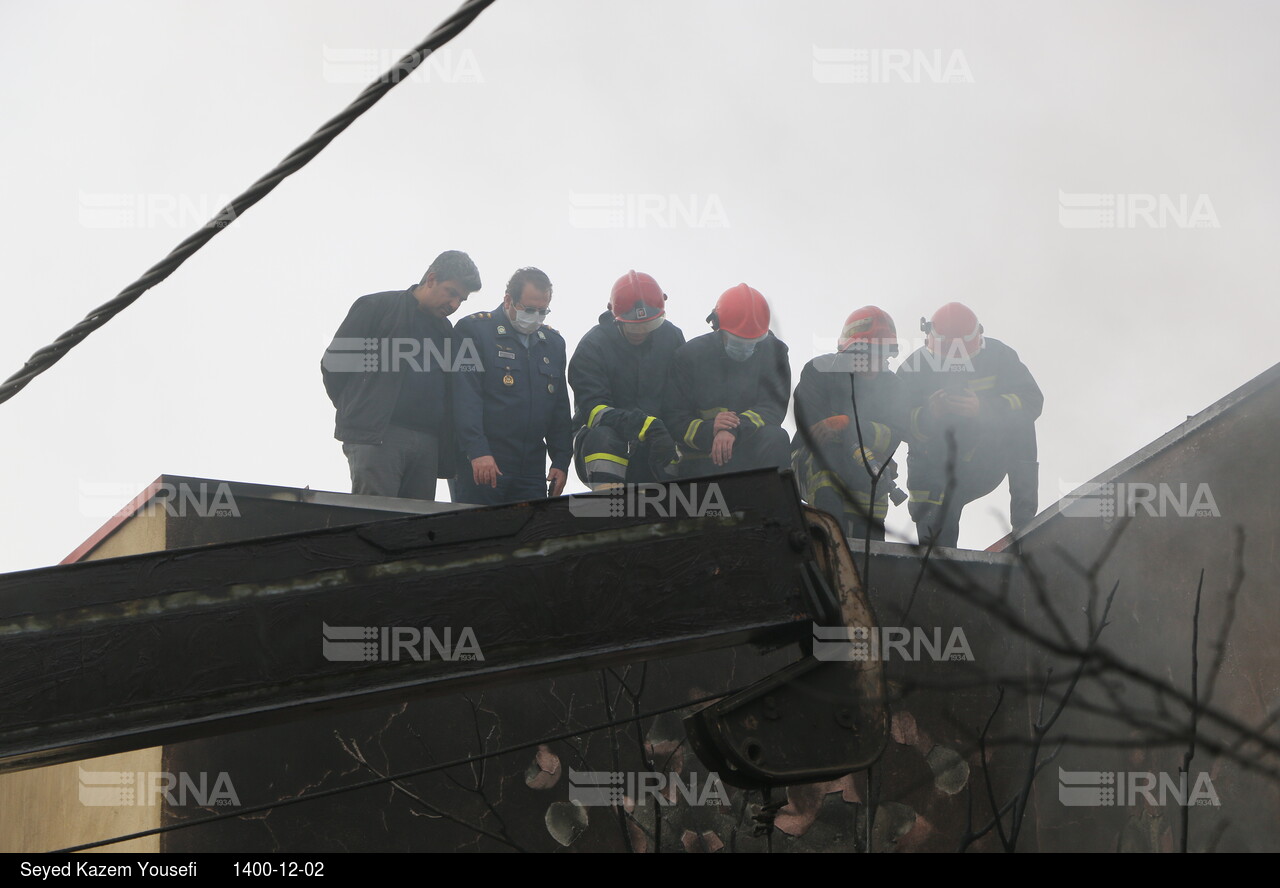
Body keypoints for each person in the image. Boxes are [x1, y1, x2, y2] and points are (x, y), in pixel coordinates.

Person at [321, 250, 481, 500]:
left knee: (414, 529)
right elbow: (334, 367)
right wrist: (361, 409)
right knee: (374, 521)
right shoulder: (377, 307)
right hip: (378, 438)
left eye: (461, 299)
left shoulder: (447, 331)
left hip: (428, 444)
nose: (454, 305)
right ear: (431, 278)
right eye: (451, 292)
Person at [897, 302, 1043, 547]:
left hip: (983, 462)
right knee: (936, 554)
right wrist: (930, 415)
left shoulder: (1000, 356)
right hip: (934, 474)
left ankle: (1024, 524)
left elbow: (1032, 401)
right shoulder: (913, 369)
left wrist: (984, 408)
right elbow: (895, 422)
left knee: (1021, 425)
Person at [451, 267, 572, 505]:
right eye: (528, 309)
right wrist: (477, 451)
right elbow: (465, 397)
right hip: (485, 462)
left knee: (530, 538)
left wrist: (561, 460)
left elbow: (559, 407)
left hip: (532, 470)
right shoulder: (473, 330)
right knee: (479, 537)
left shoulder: (553, 344)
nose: (535, 316)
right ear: (508, 300)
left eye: (542, 311)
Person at [792, 306, 908, 542]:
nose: (878, 363)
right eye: (871, 354)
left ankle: (869, 557)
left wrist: (847, 423)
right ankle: (831, 544)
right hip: (812, 460)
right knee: (827, 465)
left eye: (883, 355)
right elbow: (815, 433)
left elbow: (894, 434)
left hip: (867, 462)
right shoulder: (819, 371)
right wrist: (862, 433)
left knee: (875, 478)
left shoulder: (892, 387)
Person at [567, 271, 684, 489]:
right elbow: (594, 411)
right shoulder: (592, 347)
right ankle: (609, 509)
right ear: (614, 316)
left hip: (657, 441)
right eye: (632, 325)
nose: (640, 331)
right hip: (605, 442)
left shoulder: (672, 338)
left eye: (649, 325)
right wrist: (644, 425)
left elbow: (681, 394)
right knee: (603, 437)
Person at [664, 283, 791, 477]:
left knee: (776, 437)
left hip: (749, 451)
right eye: (738, 341)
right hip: (702, 458)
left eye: (753, 343)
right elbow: (674, 418)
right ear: (717, 328)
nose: (745, 348)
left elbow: (773, 408)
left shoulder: (775, 354)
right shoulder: (689, 357)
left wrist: (733, 428)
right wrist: (710, 430)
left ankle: (772, 500)